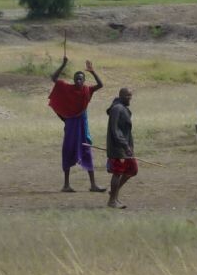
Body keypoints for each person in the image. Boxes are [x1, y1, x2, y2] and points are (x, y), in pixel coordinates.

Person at [47, 56, 106, 193]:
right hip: (71, 127)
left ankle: (93, 185)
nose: (78, 80)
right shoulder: (67, 88)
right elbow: (54, 78)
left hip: (82, 127)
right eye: (76, 79)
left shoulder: (87, 90)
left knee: (87, 151)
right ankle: (66, 185)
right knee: (67, 151)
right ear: (74, 80)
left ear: (84, 80)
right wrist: (63, 64)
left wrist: (92, 71)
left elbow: (100, 85)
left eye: (81, 78)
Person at [105, 87, 137, 209]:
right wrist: (125, 145)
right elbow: (115, 130)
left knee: (132, 169)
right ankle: (112, 201)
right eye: (127, 96)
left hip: (126, 147)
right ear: (121, 96)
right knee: (118, 172)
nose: (130, 98)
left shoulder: (123, 108)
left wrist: (129, 146)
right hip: (118, 147)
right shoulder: (117, 109)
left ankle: (114, 192)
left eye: (131, 95)